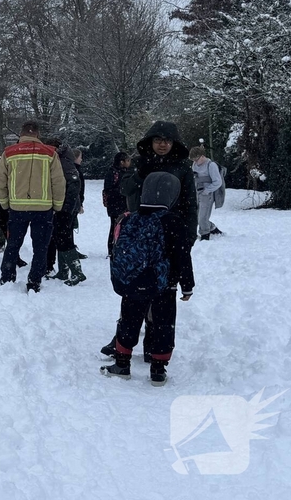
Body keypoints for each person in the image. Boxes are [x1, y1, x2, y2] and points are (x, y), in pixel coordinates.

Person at [101, 121, 198, 362]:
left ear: (174, 143)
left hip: (169, 237)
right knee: (135, 288)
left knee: (163, 292)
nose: (162, 144)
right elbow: (125, 190)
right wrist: (139, 174)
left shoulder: (182, 167)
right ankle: (123, 339)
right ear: (150, 142)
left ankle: (154, 345)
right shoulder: (140, 162)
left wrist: (188, 236)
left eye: (167, 140)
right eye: (157, 140)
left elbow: (190, 203)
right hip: (139, 236)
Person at [101, 171, 195, 386]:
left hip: (133, 282)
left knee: (129, 321)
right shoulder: (173, 221)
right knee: (163, 324)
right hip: (164, 284)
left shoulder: (129, 218)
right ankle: (158, 370)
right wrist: (187, 285)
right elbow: (182, 256)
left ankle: (122, 364)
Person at [0, 120, 66, 293]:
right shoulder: (50, 153)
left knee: (13, 245)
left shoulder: (9, 153)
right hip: (43, 208)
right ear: (38, 134)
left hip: (17, 208)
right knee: (40, 248)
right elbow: (58, 182)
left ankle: (7, 277)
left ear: (21, 133)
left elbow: (0, 180)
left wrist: (5, 203)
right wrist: (57, 205)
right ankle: (34, 281)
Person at [43, 140, 85, 286]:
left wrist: (65, 206)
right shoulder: (62, 159)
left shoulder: (63, 162)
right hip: (63, 206)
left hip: (66, 208)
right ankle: (63, 271)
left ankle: (77, 272)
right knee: (60, 237)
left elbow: (74, 183)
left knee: (64, 238)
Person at [189, 146, 224, 240]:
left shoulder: (211, 165)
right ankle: (213, 228)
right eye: (193, 160)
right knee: (196, 216)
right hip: (197, 193)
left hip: (207, 194)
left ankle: (205, 235)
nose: (195, 162)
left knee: (203, 217)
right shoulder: (194, 164)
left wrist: (207, 190)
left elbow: (218, 182)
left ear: (202, 156)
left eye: (196, 159)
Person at [102, 152, 132, 257]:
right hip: (115, 205)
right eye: (127, 160)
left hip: (124, 205)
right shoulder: (113, 173)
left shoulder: (126, 172)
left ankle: (121, 248)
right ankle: (112, 249)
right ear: (121, 162)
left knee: (122, 227)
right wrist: (122, 191)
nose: (129, 163)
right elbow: (108, 190)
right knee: (115, 227)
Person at [71, 148, 88, 259]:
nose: (81, 159)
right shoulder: (75, 171)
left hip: (73, 202)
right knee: (70, 226)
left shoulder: (73, 169)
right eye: (80, 157)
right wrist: (80, 203)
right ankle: (70, 249)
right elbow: (78, 190)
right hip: (73, 202)